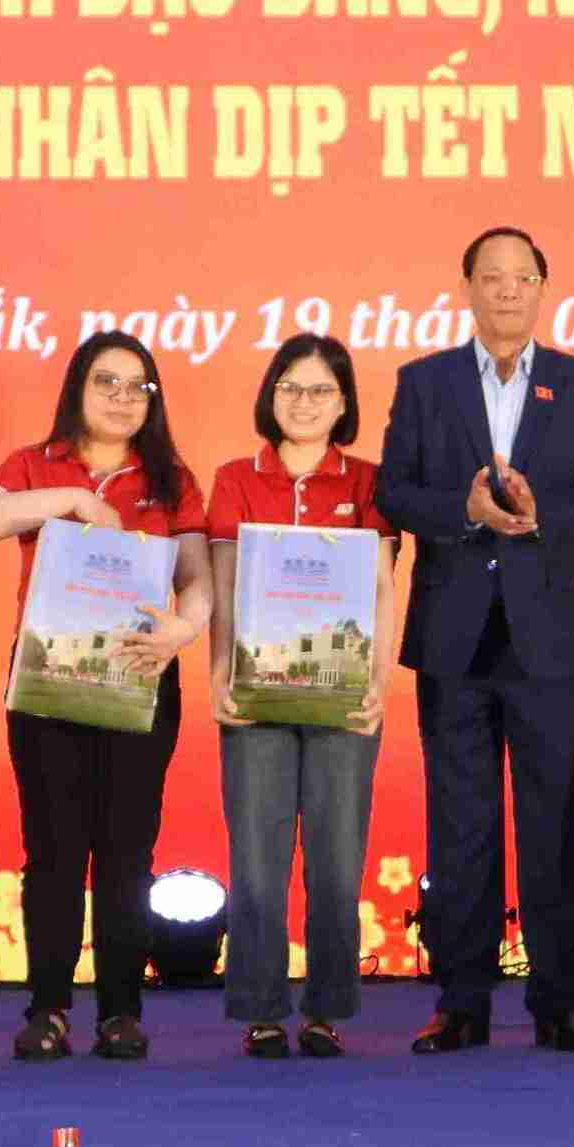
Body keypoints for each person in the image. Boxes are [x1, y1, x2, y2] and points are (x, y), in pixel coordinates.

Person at [377, 226, 574, 1056]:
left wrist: (539, 511)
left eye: (522, 277)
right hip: (453, 636)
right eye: (491, 277)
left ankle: (561, 1001)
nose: (507, 291)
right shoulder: (423, 383)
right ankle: (461, 1001)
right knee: (460, 823)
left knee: (553, 818)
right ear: (467, 288)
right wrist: (464, 510)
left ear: (543, 288)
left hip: (545, 637)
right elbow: (393, 491)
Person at [0, 330, 212, 1064]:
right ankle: (47, 1008)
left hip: (141, 676)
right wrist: (71, 498)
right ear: (77, 387)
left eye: (139, 387)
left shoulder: (169, 479)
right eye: (107, 381)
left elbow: (197, 576)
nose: (122, 398)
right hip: (47, 681)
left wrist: (184, 629)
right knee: (52, 849)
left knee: (128, 851)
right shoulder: (36, 464)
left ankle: (121, 1013)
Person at [206, 334, 399, 1060]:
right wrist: (218, 673)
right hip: (254, 695)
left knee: (336, 858)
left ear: (344, 403)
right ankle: (260, 1008)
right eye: (291, 387)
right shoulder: (236, 477)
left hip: (342, 697)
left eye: (321, 390)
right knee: (256, 857)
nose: (304, 402)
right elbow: (224, 585)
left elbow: (382, 589)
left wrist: (378, 684)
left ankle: (326, 1009)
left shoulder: (368, 482)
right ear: (270, 394)